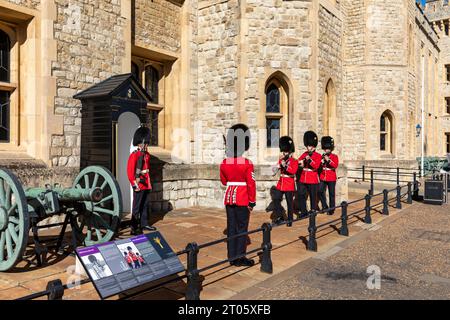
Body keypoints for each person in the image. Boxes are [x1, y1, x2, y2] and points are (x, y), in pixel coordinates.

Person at [220, 123, 256, 267]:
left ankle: (231, 257)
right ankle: (240, 258)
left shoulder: (224, 163)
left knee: (231, 226)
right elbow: (251, 184)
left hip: (229, 198)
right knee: (242, 228)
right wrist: (252, 201)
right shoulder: (247, 163)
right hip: (242, 198)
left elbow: (223, 181)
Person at [127, 125, 157, 235]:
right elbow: (130, 173)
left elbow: (146, 170)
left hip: (146, 184)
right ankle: (134, 227)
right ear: (140, 143)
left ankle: (144, 223)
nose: (146, 145)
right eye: (145, 143)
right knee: (136, 207)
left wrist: (149, 184)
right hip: (139, 184)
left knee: (144, 205)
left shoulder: (146, 155)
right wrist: (135, 185)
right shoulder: (135, 155)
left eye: (147, 143)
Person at [273, 136, 298, 227]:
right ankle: (280, 216)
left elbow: (293, 171)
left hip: (289, 183)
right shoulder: (281, 160)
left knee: (289, 202)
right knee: (276, 199)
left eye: (286, 151)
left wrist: (285, 166)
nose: (284, 152)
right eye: (284, 151)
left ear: (290, 151)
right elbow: (274, 170)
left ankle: (290, 219)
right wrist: (277, 166)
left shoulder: (294, 161)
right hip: (281, 183)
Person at [297, 131, 322, 218]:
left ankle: (313, 210)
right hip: (303, 178)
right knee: (300, 194)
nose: (309, 147)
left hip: (312, 178)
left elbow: (316, 166)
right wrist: (300, 163)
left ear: (314, 147)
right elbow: (298, 162)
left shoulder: (318, 155)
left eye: (310, 146)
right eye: (308, 146)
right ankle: (304, 211)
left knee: (313, 196)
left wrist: (310, 160)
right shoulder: (304, 154)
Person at [318, 136, 339, 215]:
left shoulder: (334, 156)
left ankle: (332, 208)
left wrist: (328, 160)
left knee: (331, 194)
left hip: (331, 177)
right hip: (323, 176)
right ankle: (324, 206)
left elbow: (335, 165)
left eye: (328, 149)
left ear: (331, 149)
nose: (326, 150)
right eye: (325, 149)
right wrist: (321, 162)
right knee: (320, 190)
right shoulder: (322, 156)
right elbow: (319, 166)